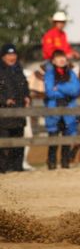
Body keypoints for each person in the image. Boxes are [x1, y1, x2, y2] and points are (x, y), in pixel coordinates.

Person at [44, 50, 80, 169]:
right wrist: (67, 90)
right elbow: (49, 92)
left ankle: (65, 164)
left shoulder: (71, 74)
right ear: (53, 61)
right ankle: (52, 164)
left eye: (63, 57)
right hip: (54, 112)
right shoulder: (49, 74)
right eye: (58, 58)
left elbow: (76, 90)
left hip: (68, 111)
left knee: (67, 139)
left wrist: (59, 87)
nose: (62, 60)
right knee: (53, 139)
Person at [0, 44, 30, 173]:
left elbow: (25, 85)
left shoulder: (18, 69)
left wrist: (27, 96)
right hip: (3, 112)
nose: (12, 57)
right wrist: (4, 100)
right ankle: (2, 168)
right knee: (4, 141)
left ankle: (18, 167)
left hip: (19, 111)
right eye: (9, 55)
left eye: (14, 55)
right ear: (3, 56)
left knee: (19, 140)